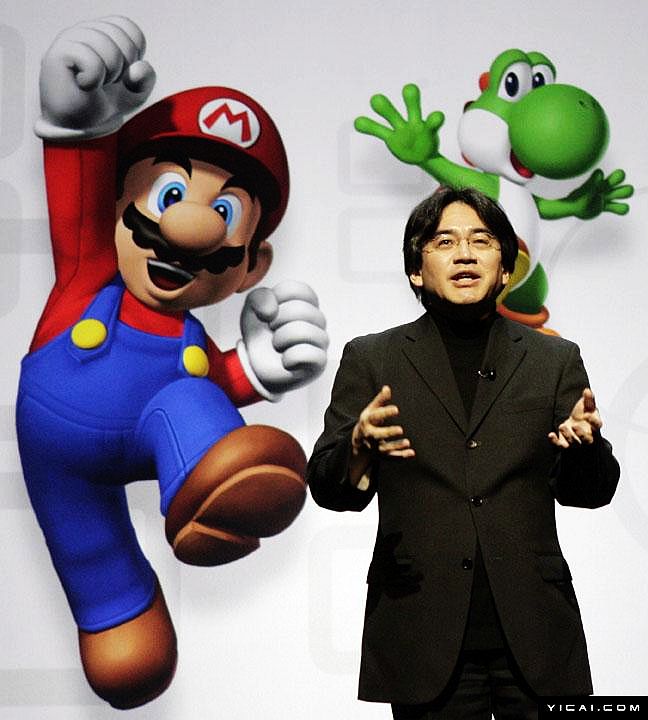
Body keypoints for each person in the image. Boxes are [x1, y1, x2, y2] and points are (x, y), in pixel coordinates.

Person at [17, 16, 328, 709]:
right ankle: (118, 607)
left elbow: (215, 382)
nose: (190, 227)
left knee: (191, 400)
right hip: (58, 456)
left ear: (252, 268)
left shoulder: (190, 342)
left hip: (161, 433)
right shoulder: (87, 277)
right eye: (169, 194)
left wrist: (258, 368)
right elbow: (76, 202)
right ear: (117, 203)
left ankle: (209, 489)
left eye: (225, 211)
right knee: (96, 568)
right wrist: (78, 129)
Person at [307, 185, 620, 719]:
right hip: (421, 630)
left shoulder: (554, 359)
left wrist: (584, 447)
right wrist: (357, 446)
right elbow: (328, 490)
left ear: (505, 270)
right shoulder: (373, 358)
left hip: (537, 635)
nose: (465, 254)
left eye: (481, 241)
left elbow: (591, 492)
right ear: (416, 270)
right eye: (445, 242)